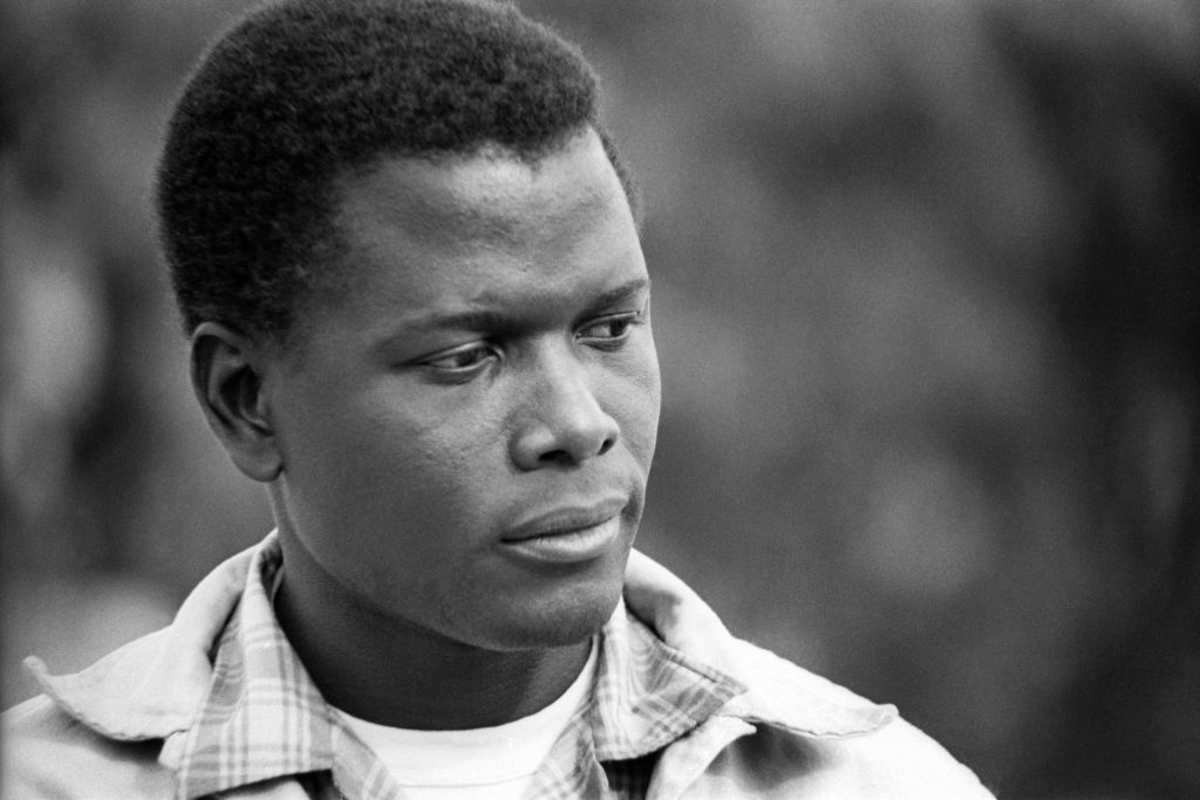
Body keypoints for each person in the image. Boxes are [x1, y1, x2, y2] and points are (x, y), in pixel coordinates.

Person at [2, 0, 994, 797]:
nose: (579, 423)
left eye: (609, 328)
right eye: (470, 354)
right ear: (246, 399)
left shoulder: (874, 782)